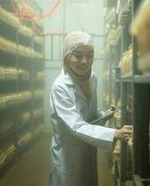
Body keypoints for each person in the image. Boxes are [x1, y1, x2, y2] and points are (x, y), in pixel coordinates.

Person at [49, 31, 133, 186]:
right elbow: (76, 125)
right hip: (69, 155)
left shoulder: (91, 78)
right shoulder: (60, 87)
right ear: (67, 56)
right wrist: (114, 133)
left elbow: (90, 115)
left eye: (90, 55)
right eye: (78, 55)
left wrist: (106, 114)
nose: (85, 61)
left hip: (87, 149)